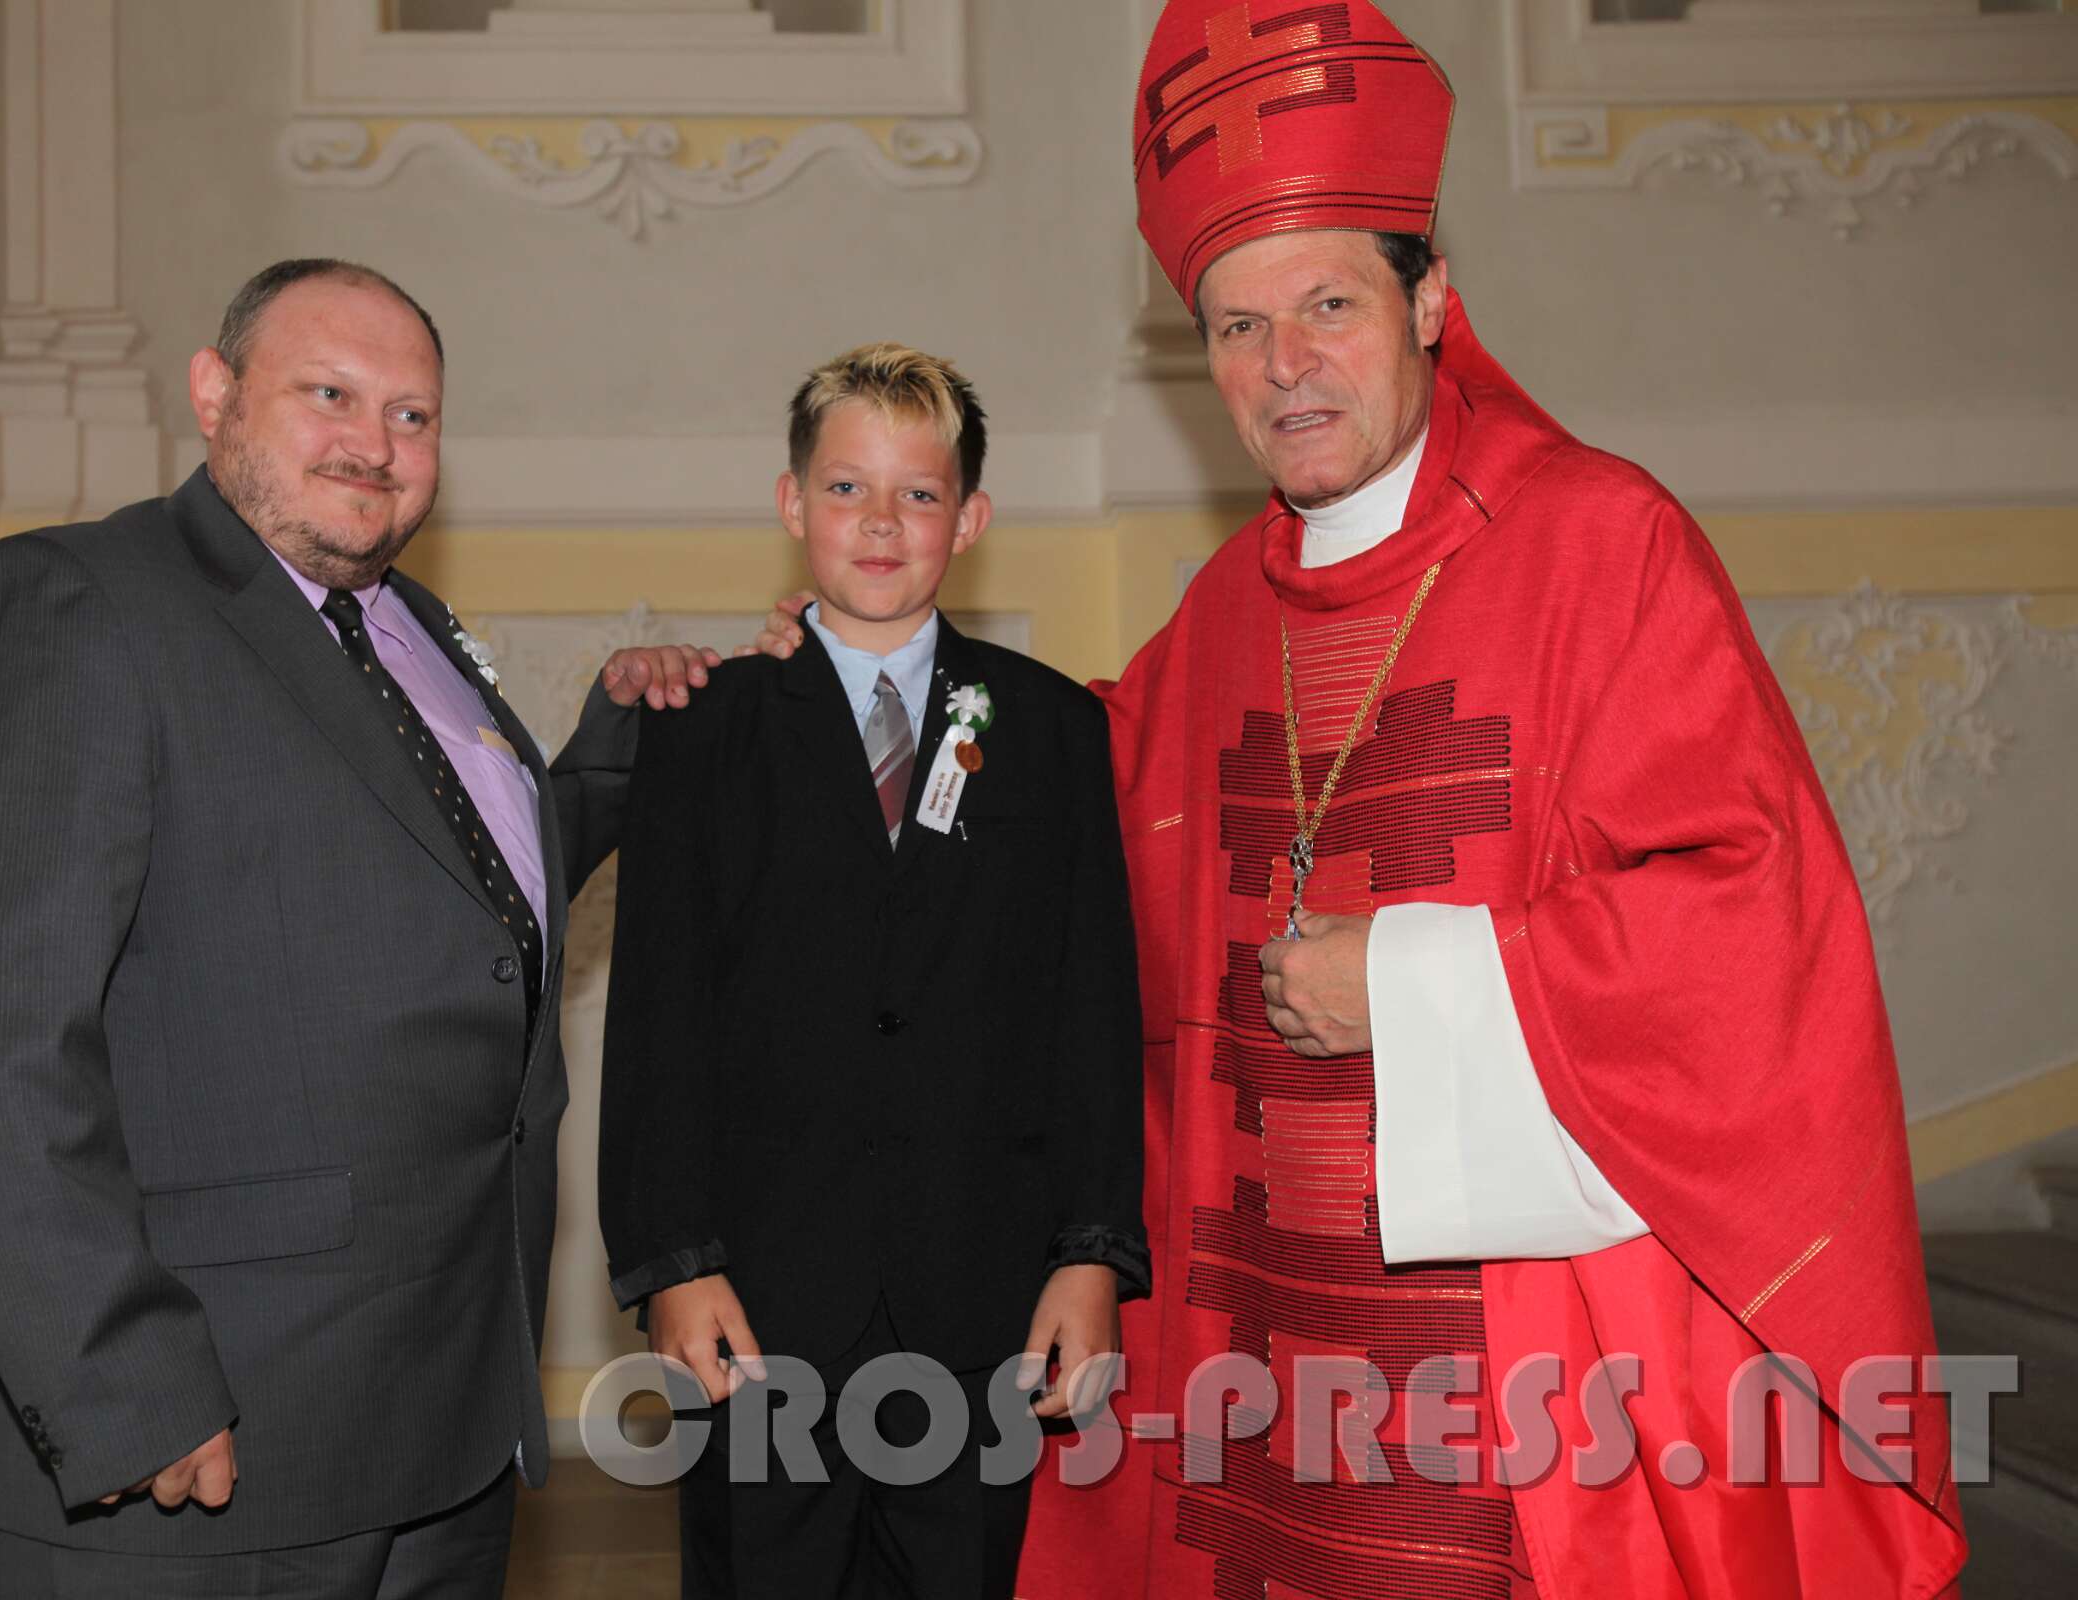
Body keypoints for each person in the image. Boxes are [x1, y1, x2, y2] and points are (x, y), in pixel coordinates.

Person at [752, 6, 1968, 1596]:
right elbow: (1061, 776)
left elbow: (1750, 919)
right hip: (1257, 1360)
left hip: (1515, 1382)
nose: (1284, 366)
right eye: (1237, 327)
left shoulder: (1600, 546)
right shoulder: (1225, 612)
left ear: (1431, 302)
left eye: (1328, 304)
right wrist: (873, 684)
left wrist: (1407, 977)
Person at [0, 257, 717, 1598]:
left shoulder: (414, 631)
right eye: (329, 394)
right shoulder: (81, 600)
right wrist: (123, 1379)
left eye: (412, 415)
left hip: (444, 1420)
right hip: (203, 1438)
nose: (374, 444)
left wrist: (610, 762)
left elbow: (452, 904)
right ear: (214, 393)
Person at [596, 344, 1151, 1599]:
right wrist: (674, 1262)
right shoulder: (703, 731)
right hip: (758, 1302)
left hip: (981, 1296)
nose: (882, 522)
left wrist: (1091, 1253)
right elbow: (659, 1020)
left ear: (972, 517)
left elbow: (1089, 1011)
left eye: (919, 492)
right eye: (847, 488)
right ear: (793, 504)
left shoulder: (1052, 729)